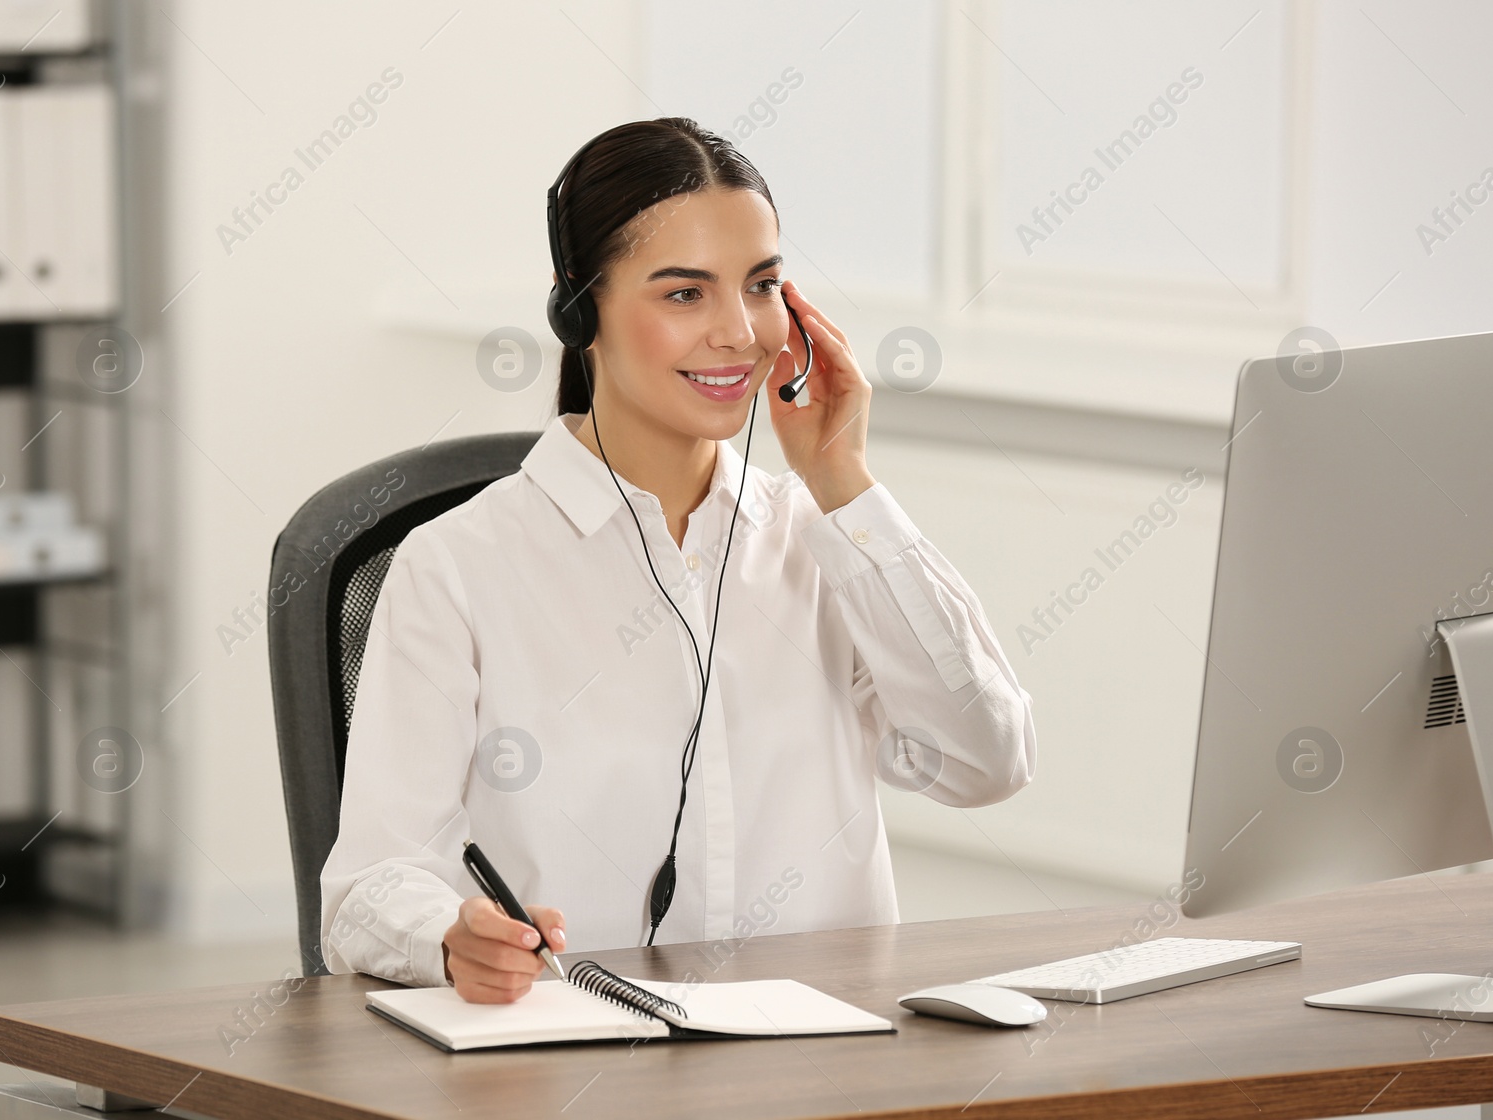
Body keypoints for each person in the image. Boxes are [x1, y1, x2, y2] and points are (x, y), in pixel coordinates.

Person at [319, 117, 1036, 1004]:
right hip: (577, 1066)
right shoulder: (459, 568)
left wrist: (844, 483)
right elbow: (369, 887)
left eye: (762, 285)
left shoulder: (822, 546)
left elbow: (988, 760)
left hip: (826, 1073)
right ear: (578, 309)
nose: (740, 333)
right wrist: (449, 936)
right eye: (685, 294)